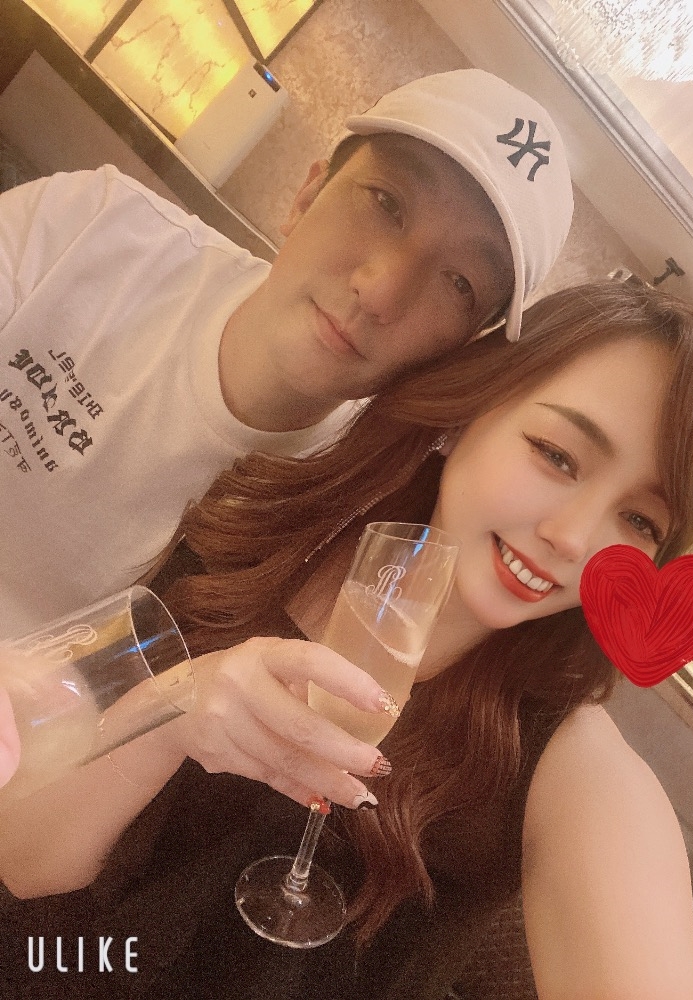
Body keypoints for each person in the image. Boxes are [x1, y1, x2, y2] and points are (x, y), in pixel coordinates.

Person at [0, 279, 693, 1000]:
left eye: (639, 521)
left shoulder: (568, 764)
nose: (573, 537)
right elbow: (22, 856)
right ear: (469, 412)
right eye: (557, 455)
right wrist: (174, 712)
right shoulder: (252, 531)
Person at [0, 69, 573, 639]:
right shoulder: (93, 226)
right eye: (386, 203)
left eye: (460, 283)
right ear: (307, 195)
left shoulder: (353, 518)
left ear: (454, 353)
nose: (380, 292)